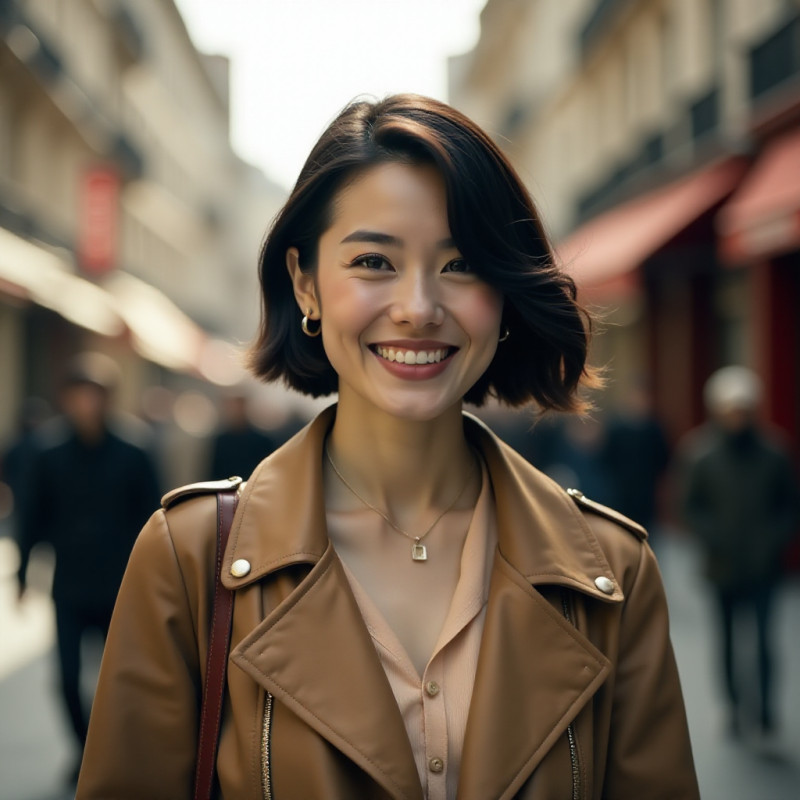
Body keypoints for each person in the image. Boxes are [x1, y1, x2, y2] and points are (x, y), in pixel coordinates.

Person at [77, 95, 699, 799]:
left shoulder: (612, 573)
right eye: (374, 260)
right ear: (306, 284)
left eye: (461, 264)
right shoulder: (191, 561)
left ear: (503, 296)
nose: (419, 306)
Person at [16, 352, 161, 783]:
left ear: (107, 398)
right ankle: (85, 750)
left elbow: (157, 522)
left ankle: (115, 753)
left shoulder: (134, 452)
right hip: (70, 587)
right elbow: (31, 518)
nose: (86, 405)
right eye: (78, 395)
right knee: (65, 679)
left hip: (121, 585)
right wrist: (23, 575)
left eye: (94, 395)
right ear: (66, 399)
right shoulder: (49, 454)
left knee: (121, 680)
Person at [680, 366, 798, 741]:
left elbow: (790, 505)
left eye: (742, 409)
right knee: (727, 640)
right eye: (730, 409)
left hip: (765, 567)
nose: (736, 416)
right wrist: (713, 537)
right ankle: (732, 706)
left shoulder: (775, 452)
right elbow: (688, 505)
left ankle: (765, 712)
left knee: (765, 641)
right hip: (721, 566)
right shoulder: (700, 454)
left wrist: (772, 540)